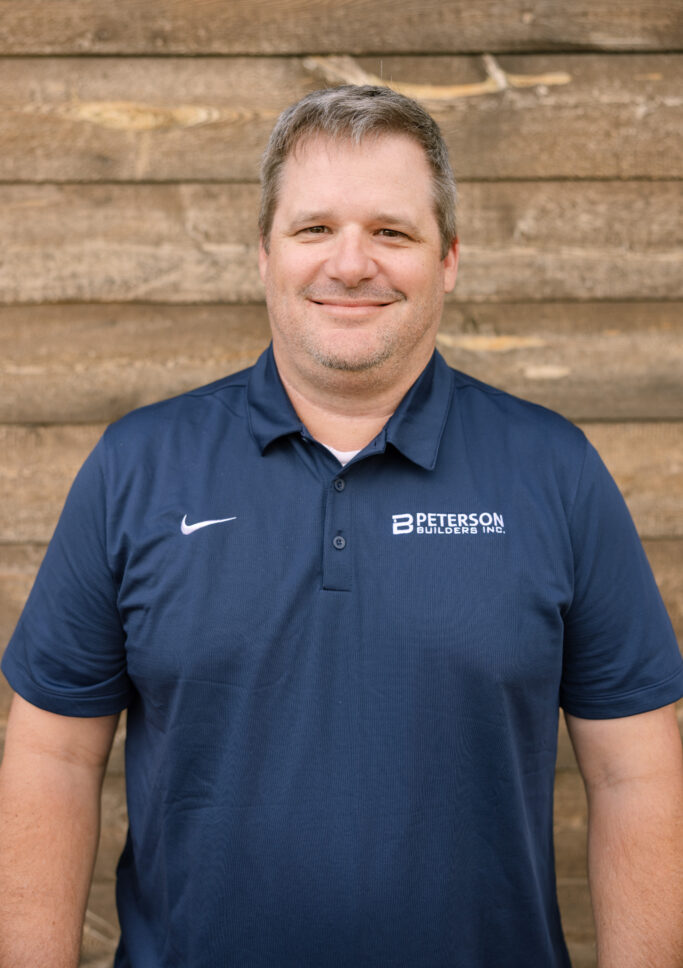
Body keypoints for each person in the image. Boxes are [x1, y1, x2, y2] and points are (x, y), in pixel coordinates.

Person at [1, 85, 682, 968]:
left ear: (448, 260)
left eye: (391, 232)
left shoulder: (554, 471)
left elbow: (634, 771)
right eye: (314, 228)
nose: (351, 264)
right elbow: (53, 754)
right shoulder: (138, 466)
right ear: (264, 254)